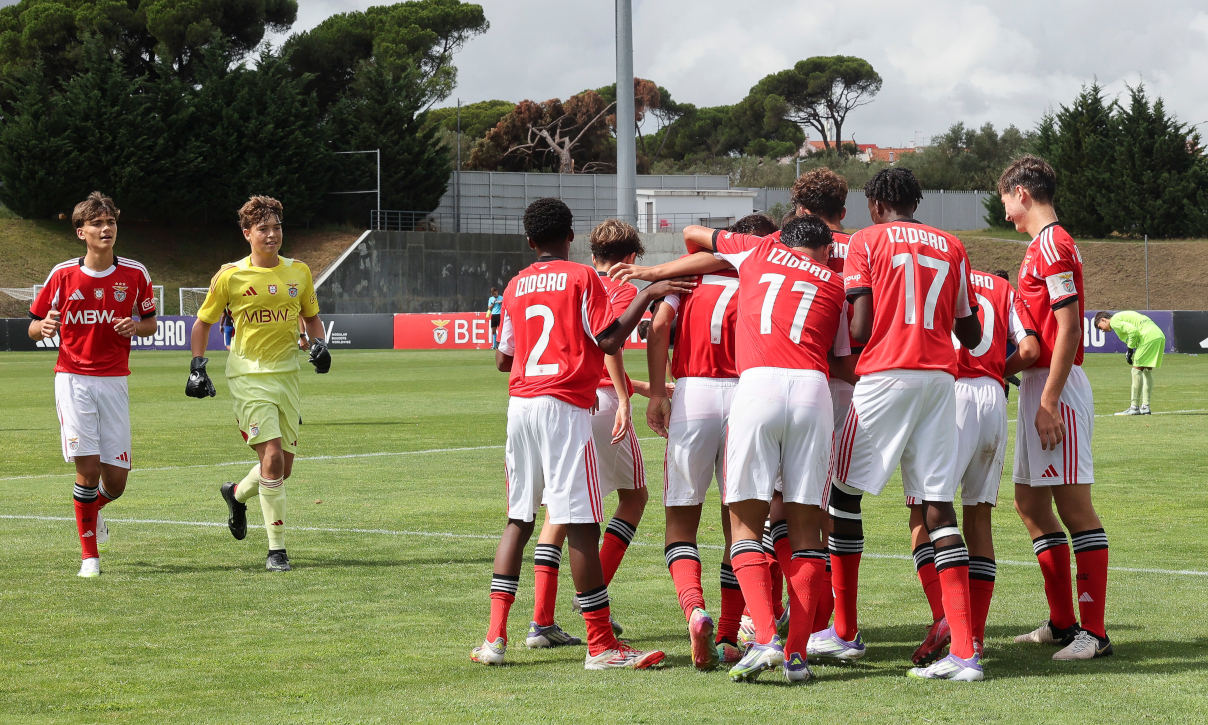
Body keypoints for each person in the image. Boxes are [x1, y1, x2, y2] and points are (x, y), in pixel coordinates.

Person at [470, 197, 690, 670]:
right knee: (585, 525)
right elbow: (609, 340)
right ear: (570, 236)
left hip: (520, 407)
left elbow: (503, 359)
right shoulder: (582, 277)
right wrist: (649, 296)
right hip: (564, 407)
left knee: (519, 520)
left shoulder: (514, 285)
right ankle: (601, 646)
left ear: (530, 241)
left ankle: (493, 640)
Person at [815, 167, 986, 681]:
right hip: (939, 381)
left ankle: (844, 632)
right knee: (937, 505)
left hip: (886, 377)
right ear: (917, 201)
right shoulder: (951, 244)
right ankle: (964, 653)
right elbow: (971, 331)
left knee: (842, 497)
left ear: (874, 204)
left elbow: (861, 326)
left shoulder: (867, 240)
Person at [1000, 155, 1112, 660]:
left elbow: (1068, 328)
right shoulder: (1040, 246)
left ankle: (1095, 633)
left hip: (1056, 390)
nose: (1005, 213)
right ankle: (1063, 624)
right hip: (1039, 385)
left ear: (1022, 193)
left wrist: (1047, 400)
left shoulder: (1053, 245)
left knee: (1074, 508)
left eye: (1005, 201)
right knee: (1029, 504)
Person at [187, 195, 330, 573]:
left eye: (277, 227)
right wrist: (198, 366)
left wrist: (320, 346)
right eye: (263, 229)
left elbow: (312, 318)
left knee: (283, 470)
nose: (271, 235)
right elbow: (202, 323)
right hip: (248, 376)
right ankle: (276, 550)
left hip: (287, 376)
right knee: (271, 457)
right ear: (247, 233)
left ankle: (235, 494)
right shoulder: (230, 276)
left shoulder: (299, 271)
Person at [526, 219, 650, 650]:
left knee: (557, 512)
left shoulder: (571, 280)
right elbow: (606, 346)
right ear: (631, 258)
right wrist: (625, 398)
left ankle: (541, 621)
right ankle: (591, 596)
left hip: (561, 401)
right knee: (634, 497)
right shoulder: (627, 288)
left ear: (592, 253)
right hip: (598, 403)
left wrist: (643, 388)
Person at [905, 268, 1040, 665]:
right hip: (992, 400)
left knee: (923, 513)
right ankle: (975, 638)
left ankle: (946, 618)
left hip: (948, 394)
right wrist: (997, 370)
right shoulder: (1002, 287)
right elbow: (1030, 350)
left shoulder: (938, 278)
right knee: (978, 518)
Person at [28, 191, 158, 578]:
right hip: (73, 380)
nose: (106, 229)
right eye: (97, 224)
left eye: (111, 222)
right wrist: (43, 327)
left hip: (115, 381)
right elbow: (33, 327)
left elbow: (150, 323)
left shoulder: (136, 273)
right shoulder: (62, 274)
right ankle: (90, 557)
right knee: (87, 468)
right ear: (81, 232)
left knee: (115, 482)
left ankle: (94, 509)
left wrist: (136, 326)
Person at [1093, 310, 1164, 415]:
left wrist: (1130, 350)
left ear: (1104, 320)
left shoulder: (1114, 321)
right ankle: (1145, 406)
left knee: (1136, 370)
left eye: (1100, 327)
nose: (1102, 330)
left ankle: (1134, 407)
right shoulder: (1121, 316)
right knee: (1147, 371)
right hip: (1158, 335)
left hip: (1148, 338)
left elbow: (1133, 332)